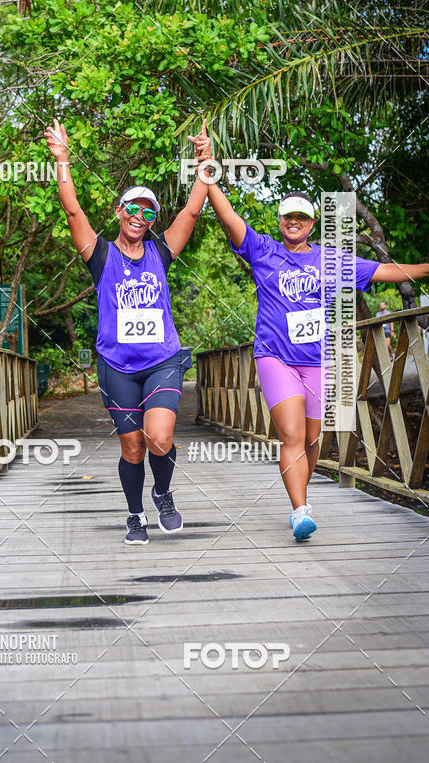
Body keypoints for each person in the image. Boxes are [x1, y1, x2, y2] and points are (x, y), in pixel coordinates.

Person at [192, 135, 429, 541]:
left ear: (313, 222)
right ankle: (300, 510)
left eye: (302, 216)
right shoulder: (261, 250)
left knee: (314, 438)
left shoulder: (332, 259)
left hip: (319, 360)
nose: (294, 222)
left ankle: (303, 492)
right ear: (280, 221)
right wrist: (210, 173)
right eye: (288, 217)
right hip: (275, 357)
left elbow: (388, 272)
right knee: (292, 435)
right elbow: (228, 215)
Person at [44, 118, 210, 545]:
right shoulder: (99, 255)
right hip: (117, 366)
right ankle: (135, 515)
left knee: (160, 436)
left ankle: (163, 492)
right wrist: (62, 160)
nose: (140, 215)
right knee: (133, 446)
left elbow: (192, 209)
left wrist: (203, 165)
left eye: (148, 211)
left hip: (162, 362)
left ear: (154, 220)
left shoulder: (161, 251)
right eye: (132, 208)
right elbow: (72, 210)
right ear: (119, 212)